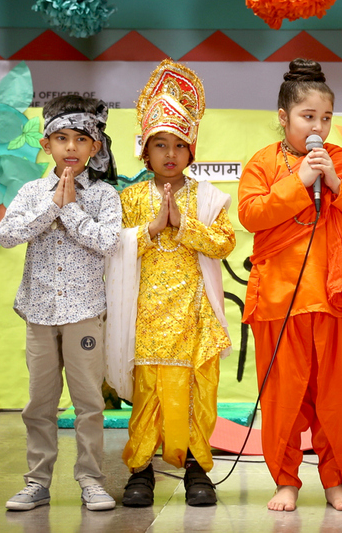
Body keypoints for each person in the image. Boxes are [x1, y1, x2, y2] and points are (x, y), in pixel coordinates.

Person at [238, 58, 342, 512]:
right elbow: (251, 214)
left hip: (335, 299)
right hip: (280, 304)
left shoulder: (341, 161)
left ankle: (336, 481)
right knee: (284, 400)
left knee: (337, 400)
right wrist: (298, 181)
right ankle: (286, 481)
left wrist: (335, 184)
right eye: (307, 117)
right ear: (284, 118)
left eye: (325, 118)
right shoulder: (263, 163)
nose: (317, 127)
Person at [105, 60, 235, 508]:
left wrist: (183, 224)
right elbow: (112, 249)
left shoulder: (209, 197)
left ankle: (197, 469)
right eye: (160, 144)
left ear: (192, 150)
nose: (170, 154)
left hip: (196, 314)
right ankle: (141, 471)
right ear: (146, 151)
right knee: (147, 395)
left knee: (200, 392)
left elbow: (224, 243)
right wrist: (151, 230)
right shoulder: (131, 198)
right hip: (145, 315)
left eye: (180, 144)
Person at [0, 95, 121, 512]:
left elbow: (108, 242)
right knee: (39, 404)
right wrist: (52, 205)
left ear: (95, 147)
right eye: (62, 138)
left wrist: (70, 212)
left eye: (81, 139)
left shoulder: (105, 195)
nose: (71, 147)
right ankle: (37, 482)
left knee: (88, 403)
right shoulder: (32, 191)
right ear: (47, 144)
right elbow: (7, 234)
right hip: (38, 313)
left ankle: (91, 479)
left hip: (85, 313)